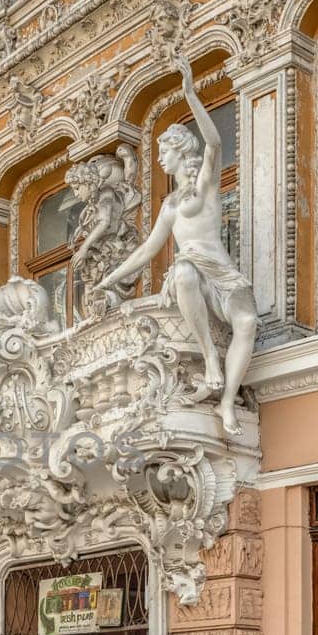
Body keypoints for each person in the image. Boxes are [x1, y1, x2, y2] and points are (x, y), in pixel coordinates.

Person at [98, 54, 256, 435]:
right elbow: (147, 250)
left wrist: (190, 94)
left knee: (248, 322)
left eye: (163, 151)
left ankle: (226, 402)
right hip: (193, 273)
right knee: (182, 271)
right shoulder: (169, 206)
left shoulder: (204, 188)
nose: (159, 158)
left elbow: (215, 143)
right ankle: (210, 361)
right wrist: (109, 279)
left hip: (221, 272)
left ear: (179, 150)